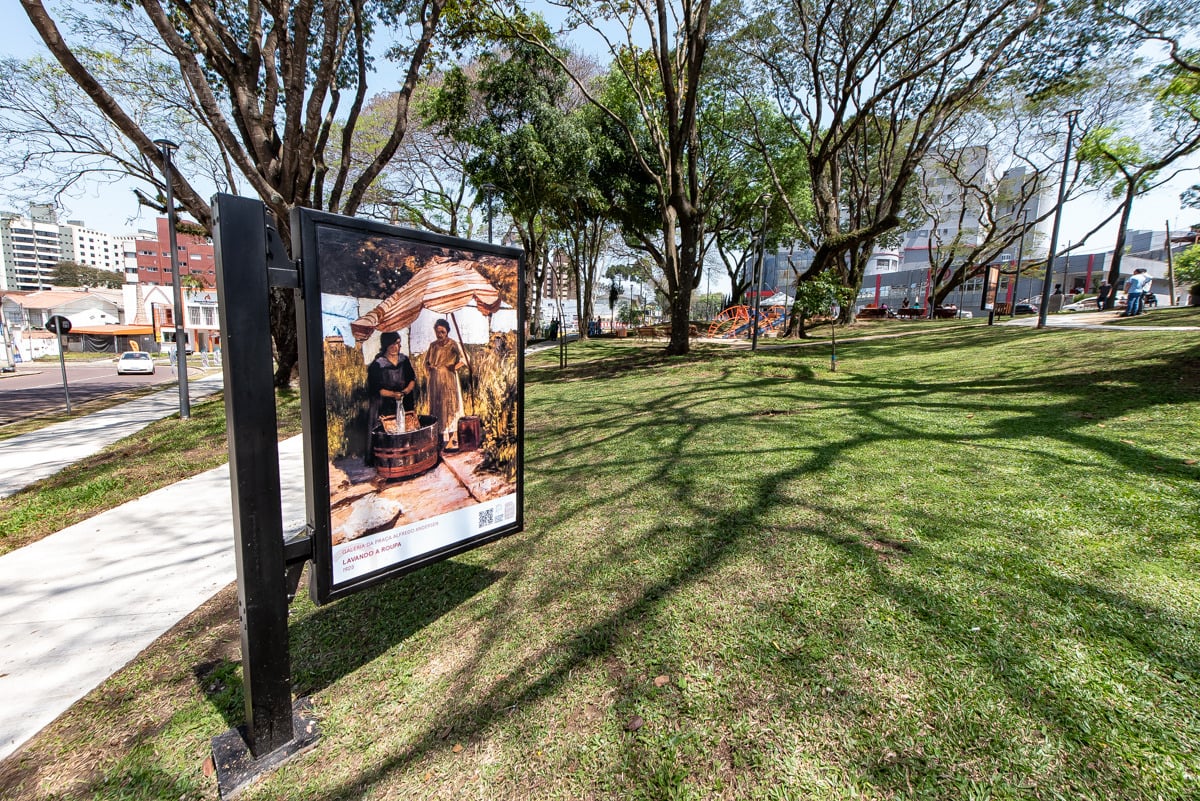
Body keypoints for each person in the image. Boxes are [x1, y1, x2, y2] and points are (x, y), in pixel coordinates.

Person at [366, 331, 416, 464]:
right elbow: (376, 389)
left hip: (403, 400)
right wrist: (394, 395)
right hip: (384, 403)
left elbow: (412, 379)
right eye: (394, 344)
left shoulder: (404, 360)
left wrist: (405, 391)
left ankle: (405, 456)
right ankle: (387, 460)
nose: (397, 347)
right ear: (386, 345)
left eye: (399, 344)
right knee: (387, 432)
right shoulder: (377, 365)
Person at [424, 318, 466, 449]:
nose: (440, 335)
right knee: (438, 407)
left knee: (451, 406)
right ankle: (441, 439)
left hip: (449, 379)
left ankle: (454, 438)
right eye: (437, 332)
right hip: (435, 380)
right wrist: (429, 367)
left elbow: (464, 358)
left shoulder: (453, 344)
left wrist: (455, 367)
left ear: (447, 332)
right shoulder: (433, 345)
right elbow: (426, 362)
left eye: (442, 332)